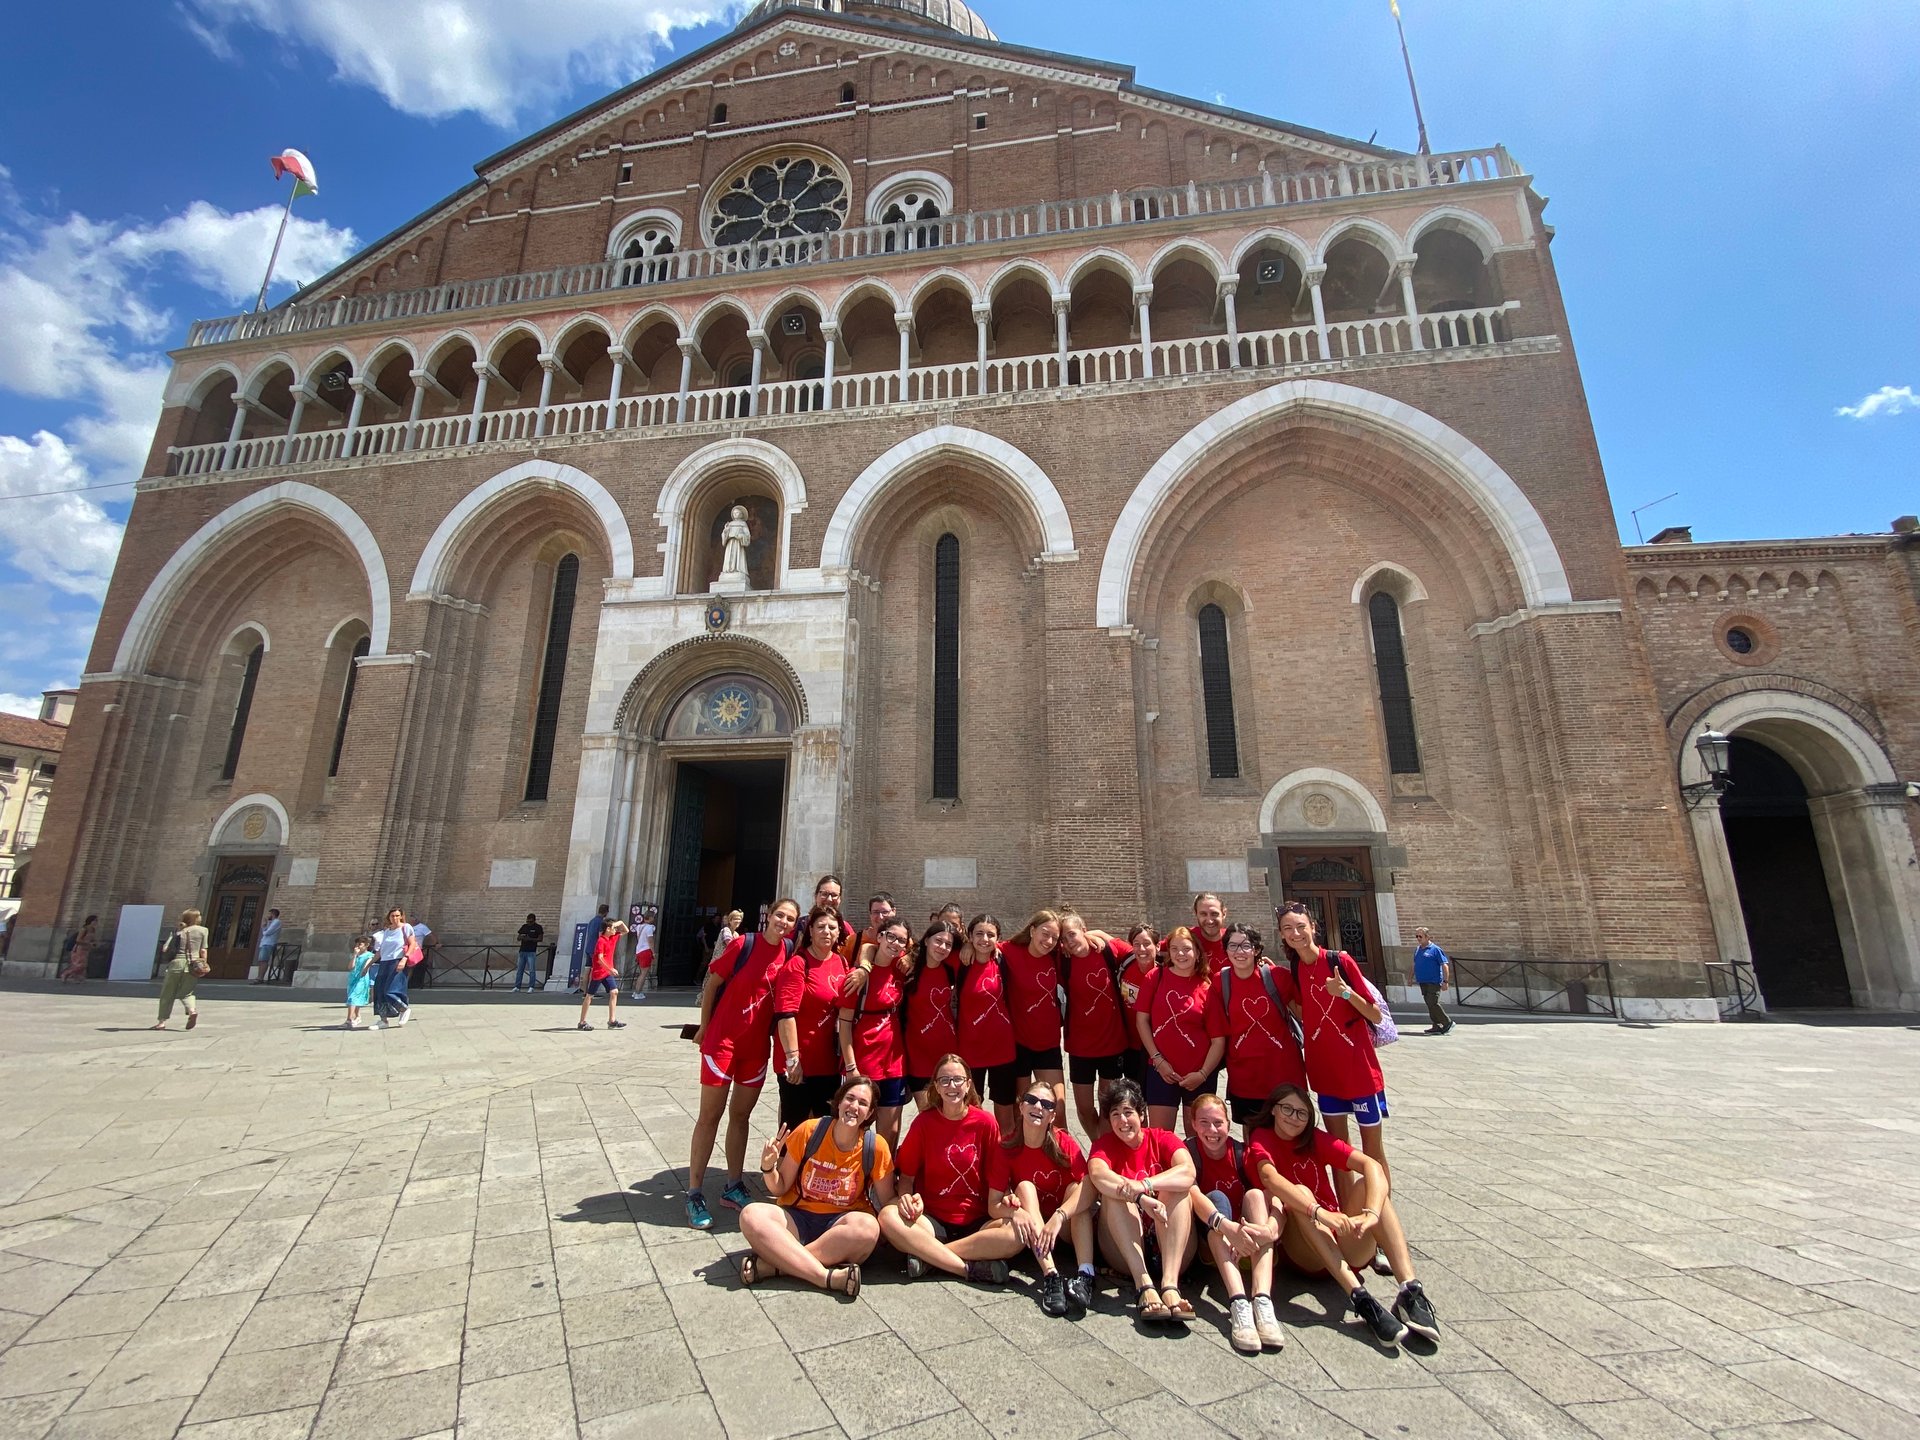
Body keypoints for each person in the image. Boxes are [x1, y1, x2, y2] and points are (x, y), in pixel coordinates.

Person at [1245, 1082, 1440, 1348]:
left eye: (1301, 1113)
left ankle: (1410, 1290)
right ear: (1273, 1110)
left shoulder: (1313, 1138)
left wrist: (1372, 1213)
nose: (1293, 1117)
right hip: (1305, 1251)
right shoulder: (1262, 1138)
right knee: (1300, 1194)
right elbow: (1270, 1178)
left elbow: (1371, 1165)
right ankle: (1361, 1298)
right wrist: (1319, 1212)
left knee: (1369, 1185)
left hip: (1342, 1242)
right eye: (1287, 1109)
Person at [688, 898, 801, 1228]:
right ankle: (694, 1192)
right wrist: (705, 1026)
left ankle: (733, 1185)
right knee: (709, 1116)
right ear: (769, 916)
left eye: (790, 919)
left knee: (741, 1116)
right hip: (722, 1043)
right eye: (780, 915)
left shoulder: (789, 952)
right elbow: (712, 983)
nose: (783, 922)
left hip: (756, 1049)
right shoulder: (743, 944)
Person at [738, 1075, 894, 1297]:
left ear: (869, 1114)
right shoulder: (810, 1131)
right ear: (838, 1102)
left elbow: (888, 1201)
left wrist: (908, 1201)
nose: (854, 1106)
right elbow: (780, 1188)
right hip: (797, 1218)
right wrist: (768, 1167)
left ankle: (776, 1265)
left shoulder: (875, 1146)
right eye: (850, 1098)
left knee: (868, 1229)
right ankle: (825, 1277)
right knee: (751, 1214)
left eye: (862, 1103)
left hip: (841, 1225)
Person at [1276, 902, 1393, 1188]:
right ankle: (1347, 1210)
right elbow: (1305, 1013)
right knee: (1339, 1152)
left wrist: (1345, 993)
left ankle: (1382, 1212)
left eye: (1301, 926)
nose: (1295, 933)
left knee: (1373, 1153)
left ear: (1313, 928)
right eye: (1288, 929)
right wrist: (1273, 983)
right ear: (1281, 935)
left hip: (1358, 1070)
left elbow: (1375, 1015)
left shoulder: (1339, 960)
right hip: (1324, 1071)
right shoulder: (1295, 968)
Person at [879, 1055, 1022, 1282]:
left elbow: (997, 1176)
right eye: (944, 1080)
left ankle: (930, 1257)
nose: (951, 1086)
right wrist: (905, 1196)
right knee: (888, 1216)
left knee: (1017, 1233)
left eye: (957, 1080)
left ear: (968, 1084)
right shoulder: (924, 1123)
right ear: (936, 1086)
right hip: (931, 1219)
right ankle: (967, 1268)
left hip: (978, 1220)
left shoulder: (986, 1123)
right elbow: (906, 1177)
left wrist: (1007, 1197)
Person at [1176, 1094, 1286, 1353]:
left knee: (1256, 1195)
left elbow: (1275, 1197)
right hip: (1211, 1242)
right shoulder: (1188, 1152)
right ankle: (1238, 1301)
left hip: (1246, 1244)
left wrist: (1270, 1229)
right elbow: (1193, 1194)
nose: (1212, 1131)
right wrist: (1228, 1227)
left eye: (1218, 1123)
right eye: (1204, 1123)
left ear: (1228, 1124)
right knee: (1216, 1198)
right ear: (1193, 1124)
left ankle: (1262, 1299)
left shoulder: (1241, 1152)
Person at [1087, 1077, 1196, 1323]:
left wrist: (1146, 1184)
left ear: (1142, 1114)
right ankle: (1144, 1284)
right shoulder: (1104, 1146)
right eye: (1115, 1114)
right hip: (1125, 1252)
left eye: (1128, 1112)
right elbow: (1098, 1175)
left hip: (1170, 1245)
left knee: (1178, 1189)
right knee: (1115, 1194)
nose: (1123, 1121)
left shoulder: (1162, 1138)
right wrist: (1138, 1196)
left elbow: (1188, 1171)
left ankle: (1170, 1285)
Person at [989, 1081, 1096, 1316]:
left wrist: (1059, 1217)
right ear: (1021, 1106)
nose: (1038, 1107)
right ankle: (1051, 1275)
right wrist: (1015, 1212)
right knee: (1025, 1188)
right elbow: (993, 1205)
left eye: (1046, 1104)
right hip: (1035, 1228)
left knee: (1076, 1189)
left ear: (1052, 1116)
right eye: (1032, 1100)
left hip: (1065, 1228)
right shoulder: (1006, 1146)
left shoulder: (1063, 1142)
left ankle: (1085, 1275)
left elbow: (1089, 1188)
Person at [1132, 925, 1226, 1133]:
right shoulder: (1155, 977)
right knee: (1160, 1136)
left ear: (1197, 953)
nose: (1180, 954)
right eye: (1174, 949)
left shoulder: (1207, 987)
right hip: (1162, 1070)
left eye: (1186, 949)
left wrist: (1202, 1074)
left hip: (1198, 1074)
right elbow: (1142, 1021)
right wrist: (1158, 1060)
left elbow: (1218, 1040)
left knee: (1198, 1137)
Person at [1217, 923, 1308, 1132]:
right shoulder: (1220, 982)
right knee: (1254, 1137)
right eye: (1233, 946)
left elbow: (1303, 1013)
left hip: (1284, 1073)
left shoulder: (1278, 977)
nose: (1239, 952)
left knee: (1290, 1134)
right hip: (1245, 1076)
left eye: (1245, 945)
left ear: (1256, 949)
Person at [1058, 911, 1139, 1140]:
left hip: (1112, 1043)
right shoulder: (1063, 959)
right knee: (1084, 1108)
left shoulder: (1106, 950)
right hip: (1080, 1046)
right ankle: (1099, 1144)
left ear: (1084, 930)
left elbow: (1136, 950)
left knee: (1107, 1106)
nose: (1068, 942)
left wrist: (1099, 933)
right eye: (1063, 938)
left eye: (1072, 934)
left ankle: (1102, 1151)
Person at [838, 916, 913, 1149]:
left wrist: (910, 955)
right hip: (863, 1060)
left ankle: (883, 1172)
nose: (895, 943)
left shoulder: (901, 968)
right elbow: (844, 1025)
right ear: (880, 937)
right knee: (856, 1126)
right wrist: (851, 1067)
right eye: (890, 936)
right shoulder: (858, 976)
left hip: (894, 1062)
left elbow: (926, 947)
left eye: (901, 940)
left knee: (890, 1131)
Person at [775, 906, 852, 1128]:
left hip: (828, 1064)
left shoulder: (841, 962)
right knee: (794, 1129)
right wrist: (793, 1060)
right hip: (801, 1064)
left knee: (824, 1129)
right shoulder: (798, 964)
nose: (826, 931)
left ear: (839, 932)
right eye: (821, 926)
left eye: (832, 927)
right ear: (810, 931)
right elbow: (785, 1014)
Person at [1000, 909, 1066, 1127]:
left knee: (1057, 1110)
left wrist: (1095, 936)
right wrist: (968, 946)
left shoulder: (1056, 956)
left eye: (1054, 937)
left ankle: (1060, 1149)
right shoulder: (1009, 951)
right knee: (1022, 1110)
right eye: (1045, 934)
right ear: (1032, 930)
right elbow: (983, 941)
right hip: (1019, 1043)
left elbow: (1080, 936)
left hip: (1048, 1043)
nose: (1049, 941)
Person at [954, 913, 1018, 1133]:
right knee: (971, 1112)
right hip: (970, 1050)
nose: (984, 939)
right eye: (979, 934)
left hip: (1003, 1049)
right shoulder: (961, 962)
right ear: (970, 936)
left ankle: (1004, 1152)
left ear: (998, 938)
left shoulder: (1003, 959)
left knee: (1006, 1115)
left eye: (990, 935)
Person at [900, 919, 964, 1109]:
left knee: (950, 1110)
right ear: (927, 940)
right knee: (928, 1112)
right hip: (918, 1054)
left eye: (948, 944)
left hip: (948, 1051)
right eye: (938, 941)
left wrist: (967, 945)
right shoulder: (908, 969)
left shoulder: (951, 968)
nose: (942, 947)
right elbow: (871, 948)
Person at [151, 909, 208, 1031]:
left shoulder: (178, 931)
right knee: (187, 993)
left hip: (176, 963)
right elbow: (203, 950)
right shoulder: (203, 930)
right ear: (196, 918)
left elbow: (165, 948)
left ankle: (161, 1022)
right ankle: (192, 1011)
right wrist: (203, 964)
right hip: (193, 964)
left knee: (167, 993)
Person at [578, 919, 628, 1030]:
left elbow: (626, 930)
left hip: (607, 973)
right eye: (613, 928)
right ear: (608, 929)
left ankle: (612, 1020)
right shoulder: (601, 941)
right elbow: (600, 959)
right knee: (589, 996)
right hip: (599, 973)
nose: (616, 929)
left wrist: (619, 922)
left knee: (614, 992)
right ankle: (582, 1022)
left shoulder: (613, 938)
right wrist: (610, 969)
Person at [370, 908, 416, 1028]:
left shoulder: (406, 927)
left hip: (397, 961)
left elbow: (413, 944)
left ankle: (404, 1009)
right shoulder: (387, 931)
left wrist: (404, 959)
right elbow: (381, 951)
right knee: (379, 991)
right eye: (392, 916)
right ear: (389, 917)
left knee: (390, 990)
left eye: (397, 916)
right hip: (384, 962)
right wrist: (369, 964)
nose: (395, 918)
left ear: (401, 916)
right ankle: (383, 1020)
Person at [1412, 926, 1453, 1034]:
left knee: (1432, 1002)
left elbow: (1444, 965)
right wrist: (1410, 978)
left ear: (1427, 937)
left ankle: (1447, 1022)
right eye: (1416, 936)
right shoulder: (1417, 950)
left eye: (1420, 936)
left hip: (1433, 981)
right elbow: (1415, 964)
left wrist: (1445, 981)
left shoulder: (1435, 949)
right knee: (1429, 1004)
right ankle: (1436, 1025)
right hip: (1423, 981)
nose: (1418, 938)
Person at [1191, 893, 1230, 972]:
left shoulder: (1235, 939)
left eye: (1214, 914)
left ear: (1224, 913)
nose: (1209, 921)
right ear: (1196, 914)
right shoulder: (1185, 937)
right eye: (1203, 914)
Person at [345, 935, 375, 1029]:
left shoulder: (369, 955)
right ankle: (357, 1016)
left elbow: (366, 966)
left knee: (352, 998)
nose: (358, 946)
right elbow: (350, 967)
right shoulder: (356, 955)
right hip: (352, 978)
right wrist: (354, 955)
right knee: (355, 998)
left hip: (361, 980)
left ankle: (349, 1020)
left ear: (366, 945)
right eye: (357, 944)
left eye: (360, 944)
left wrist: (364, 970)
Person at [61, 914, 96, 982]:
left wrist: (94, 943)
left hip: (86, 949)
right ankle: (66, 973)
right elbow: (78, 940)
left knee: (83, 964)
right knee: (81, 965)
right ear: (90, 921)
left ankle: (76, 976)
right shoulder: (84, 929)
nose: (96, 922)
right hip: (79, 949)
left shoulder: (93, 930)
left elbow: (92, 939)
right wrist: (88, 943)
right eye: (94, 920)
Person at [632, 906, 658, 999]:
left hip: (639, 950)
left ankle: (636, 991)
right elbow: (650, 940)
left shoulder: (639, 927)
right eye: (653, 917)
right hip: (646, 951)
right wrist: (653, 952)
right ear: (650, 918)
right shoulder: (649, 928)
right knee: (643, 973)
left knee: (641, 973)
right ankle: (638, 992)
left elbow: (639, 938)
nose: (654, 919)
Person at [514, 913, 544, 992]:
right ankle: (517, 986)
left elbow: (540, 939)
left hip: (531, 951)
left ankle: (531, 987)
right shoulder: (524, 926)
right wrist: (522, 937)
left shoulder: (538, 927)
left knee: (531, 970)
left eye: (531, 922)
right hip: (522, 950)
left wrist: (530, 939)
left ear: (534, 920)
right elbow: (518, 937)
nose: (529, 923)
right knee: (519, 970)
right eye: (528, 921)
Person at [255, 908, 282, 979]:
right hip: (264, 943)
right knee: (261, 961)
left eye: (269, 914)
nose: (267, 916)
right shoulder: (270, 922)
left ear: (273, 914)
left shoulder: (277, 922)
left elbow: (267, 933)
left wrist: (264, 929)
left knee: (264, 961)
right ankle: (259, 977)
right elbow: (265, 931)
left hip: (268, 944)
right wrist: (264, 925)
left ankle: (260, 978)